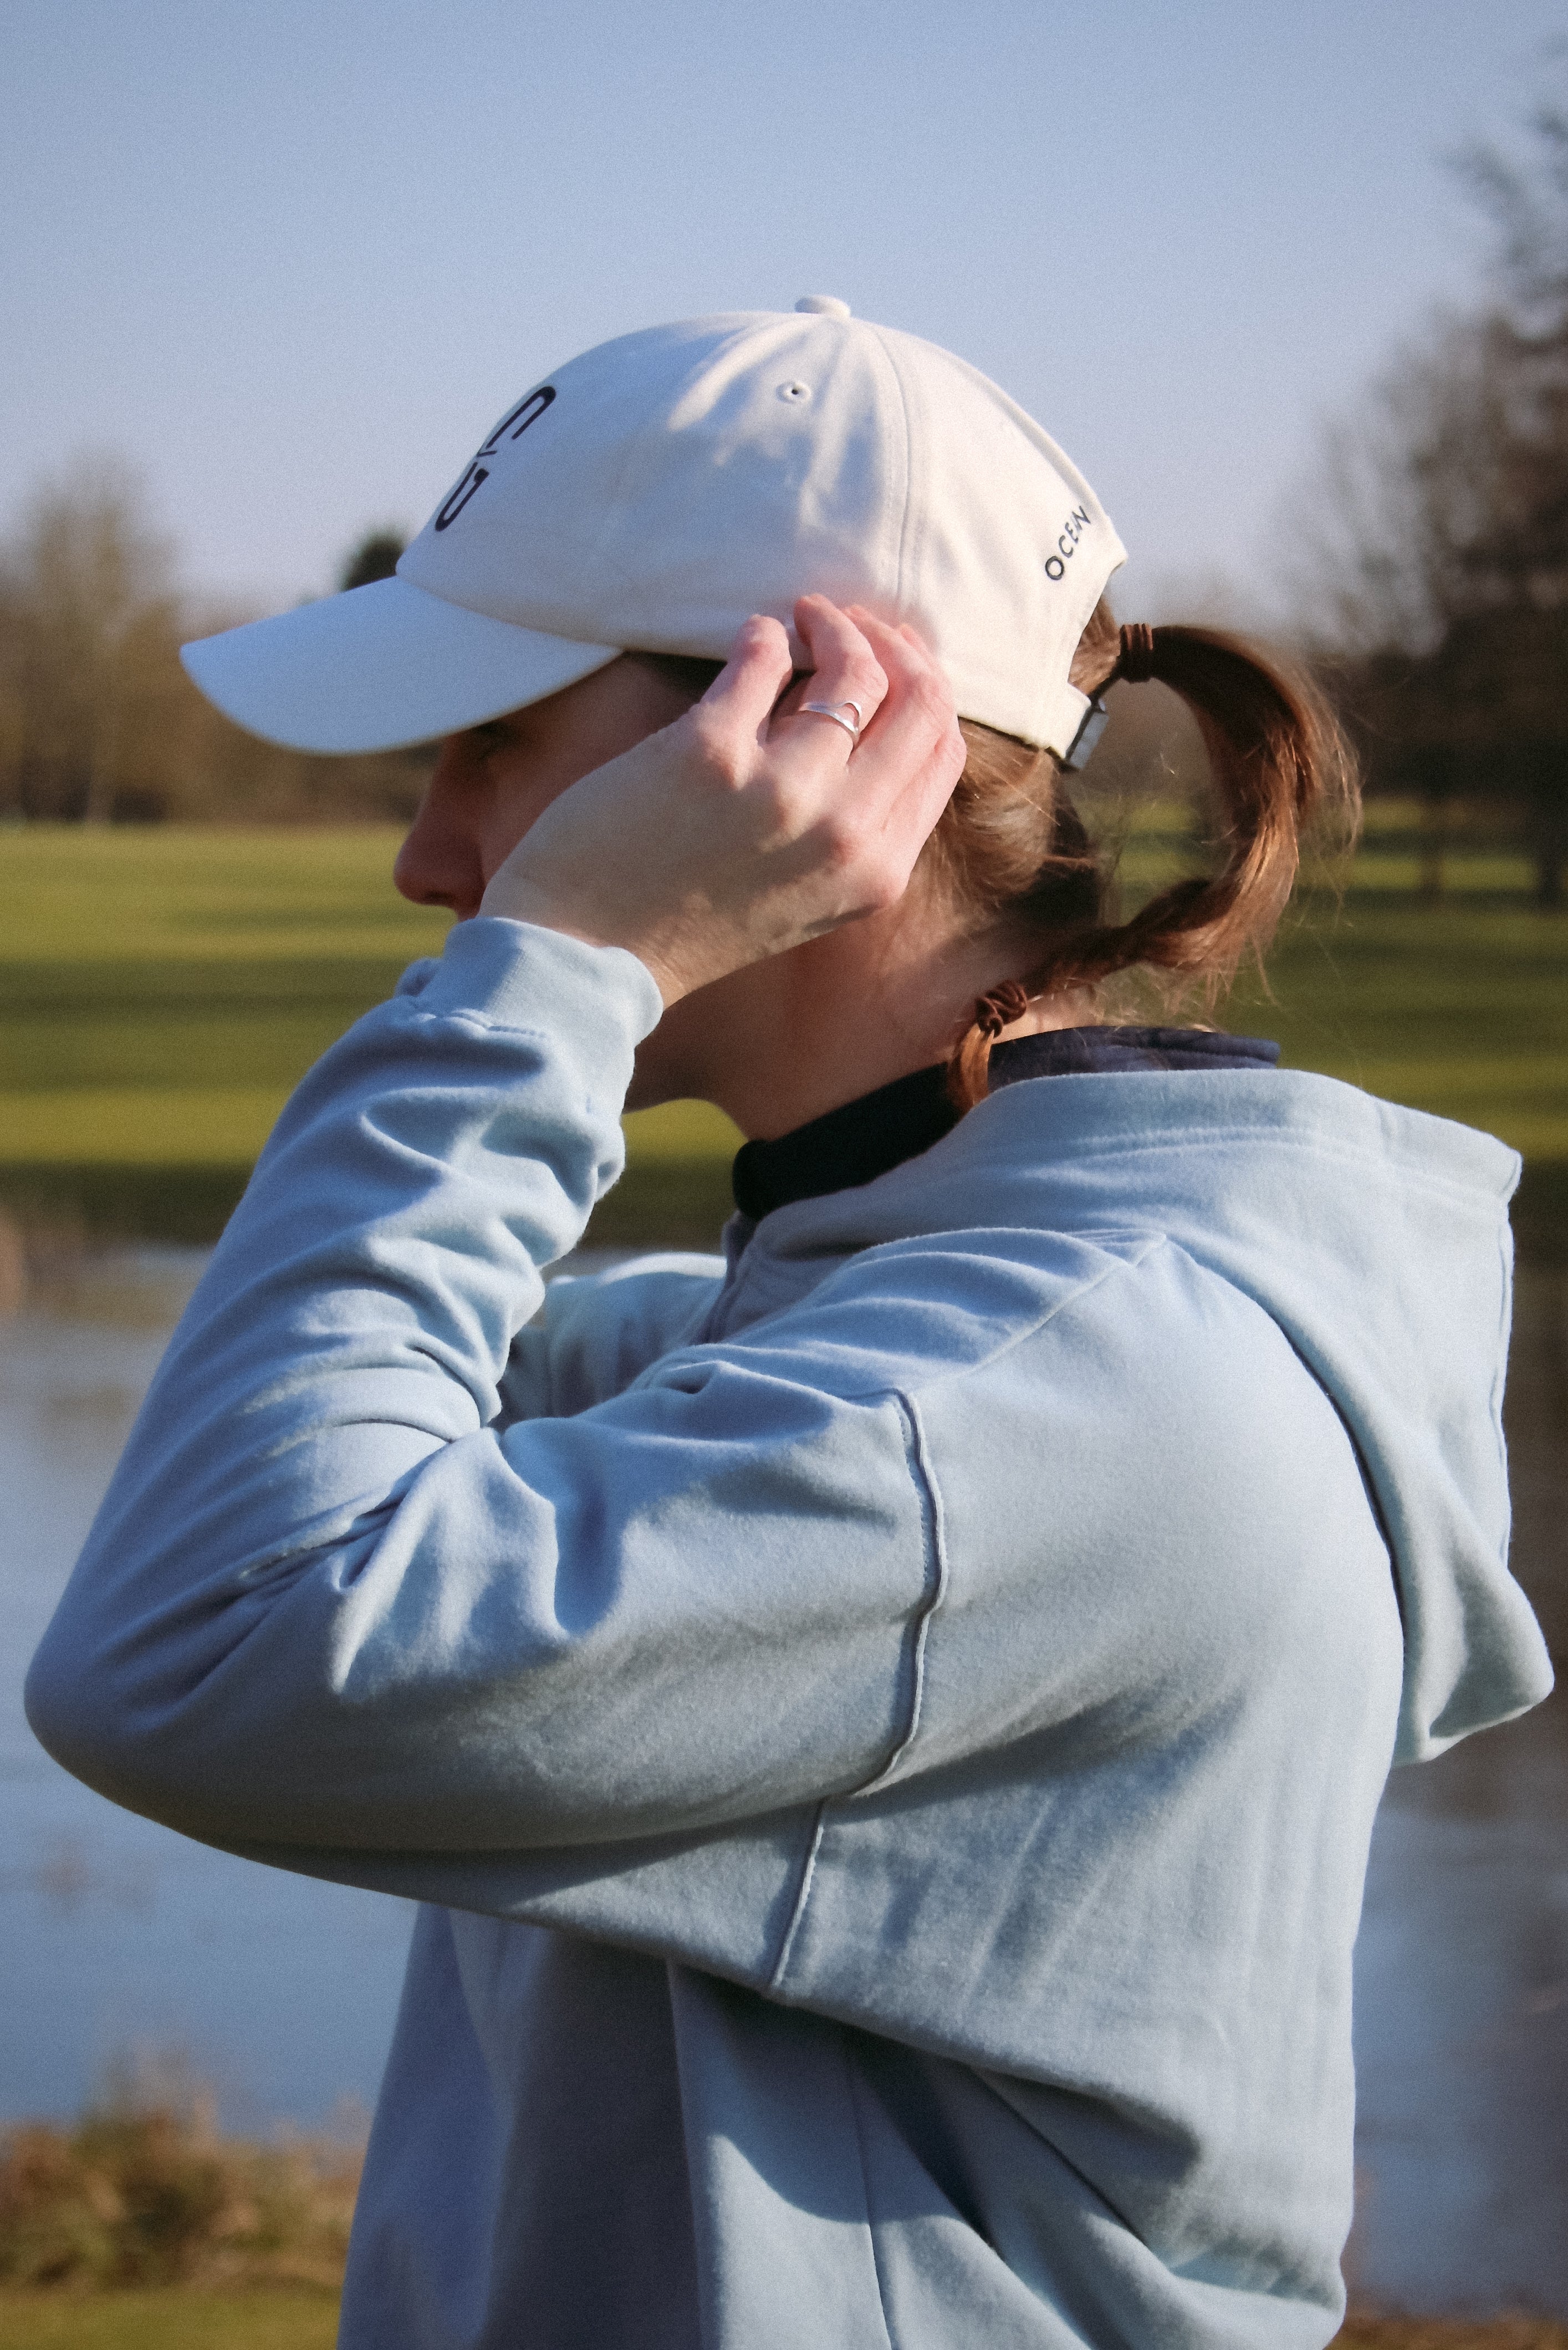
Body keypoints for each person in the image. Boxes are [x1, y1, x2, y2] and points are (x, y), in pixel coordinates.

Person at [26, 297, 1552, 2350]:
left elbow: (199, 1635)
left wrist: (562, 965)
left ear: (802, 734)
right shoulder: (836, 1333)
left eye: (491, 749)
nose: (428, 857)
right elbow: (290, 1446)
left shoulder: (1048, 1412)